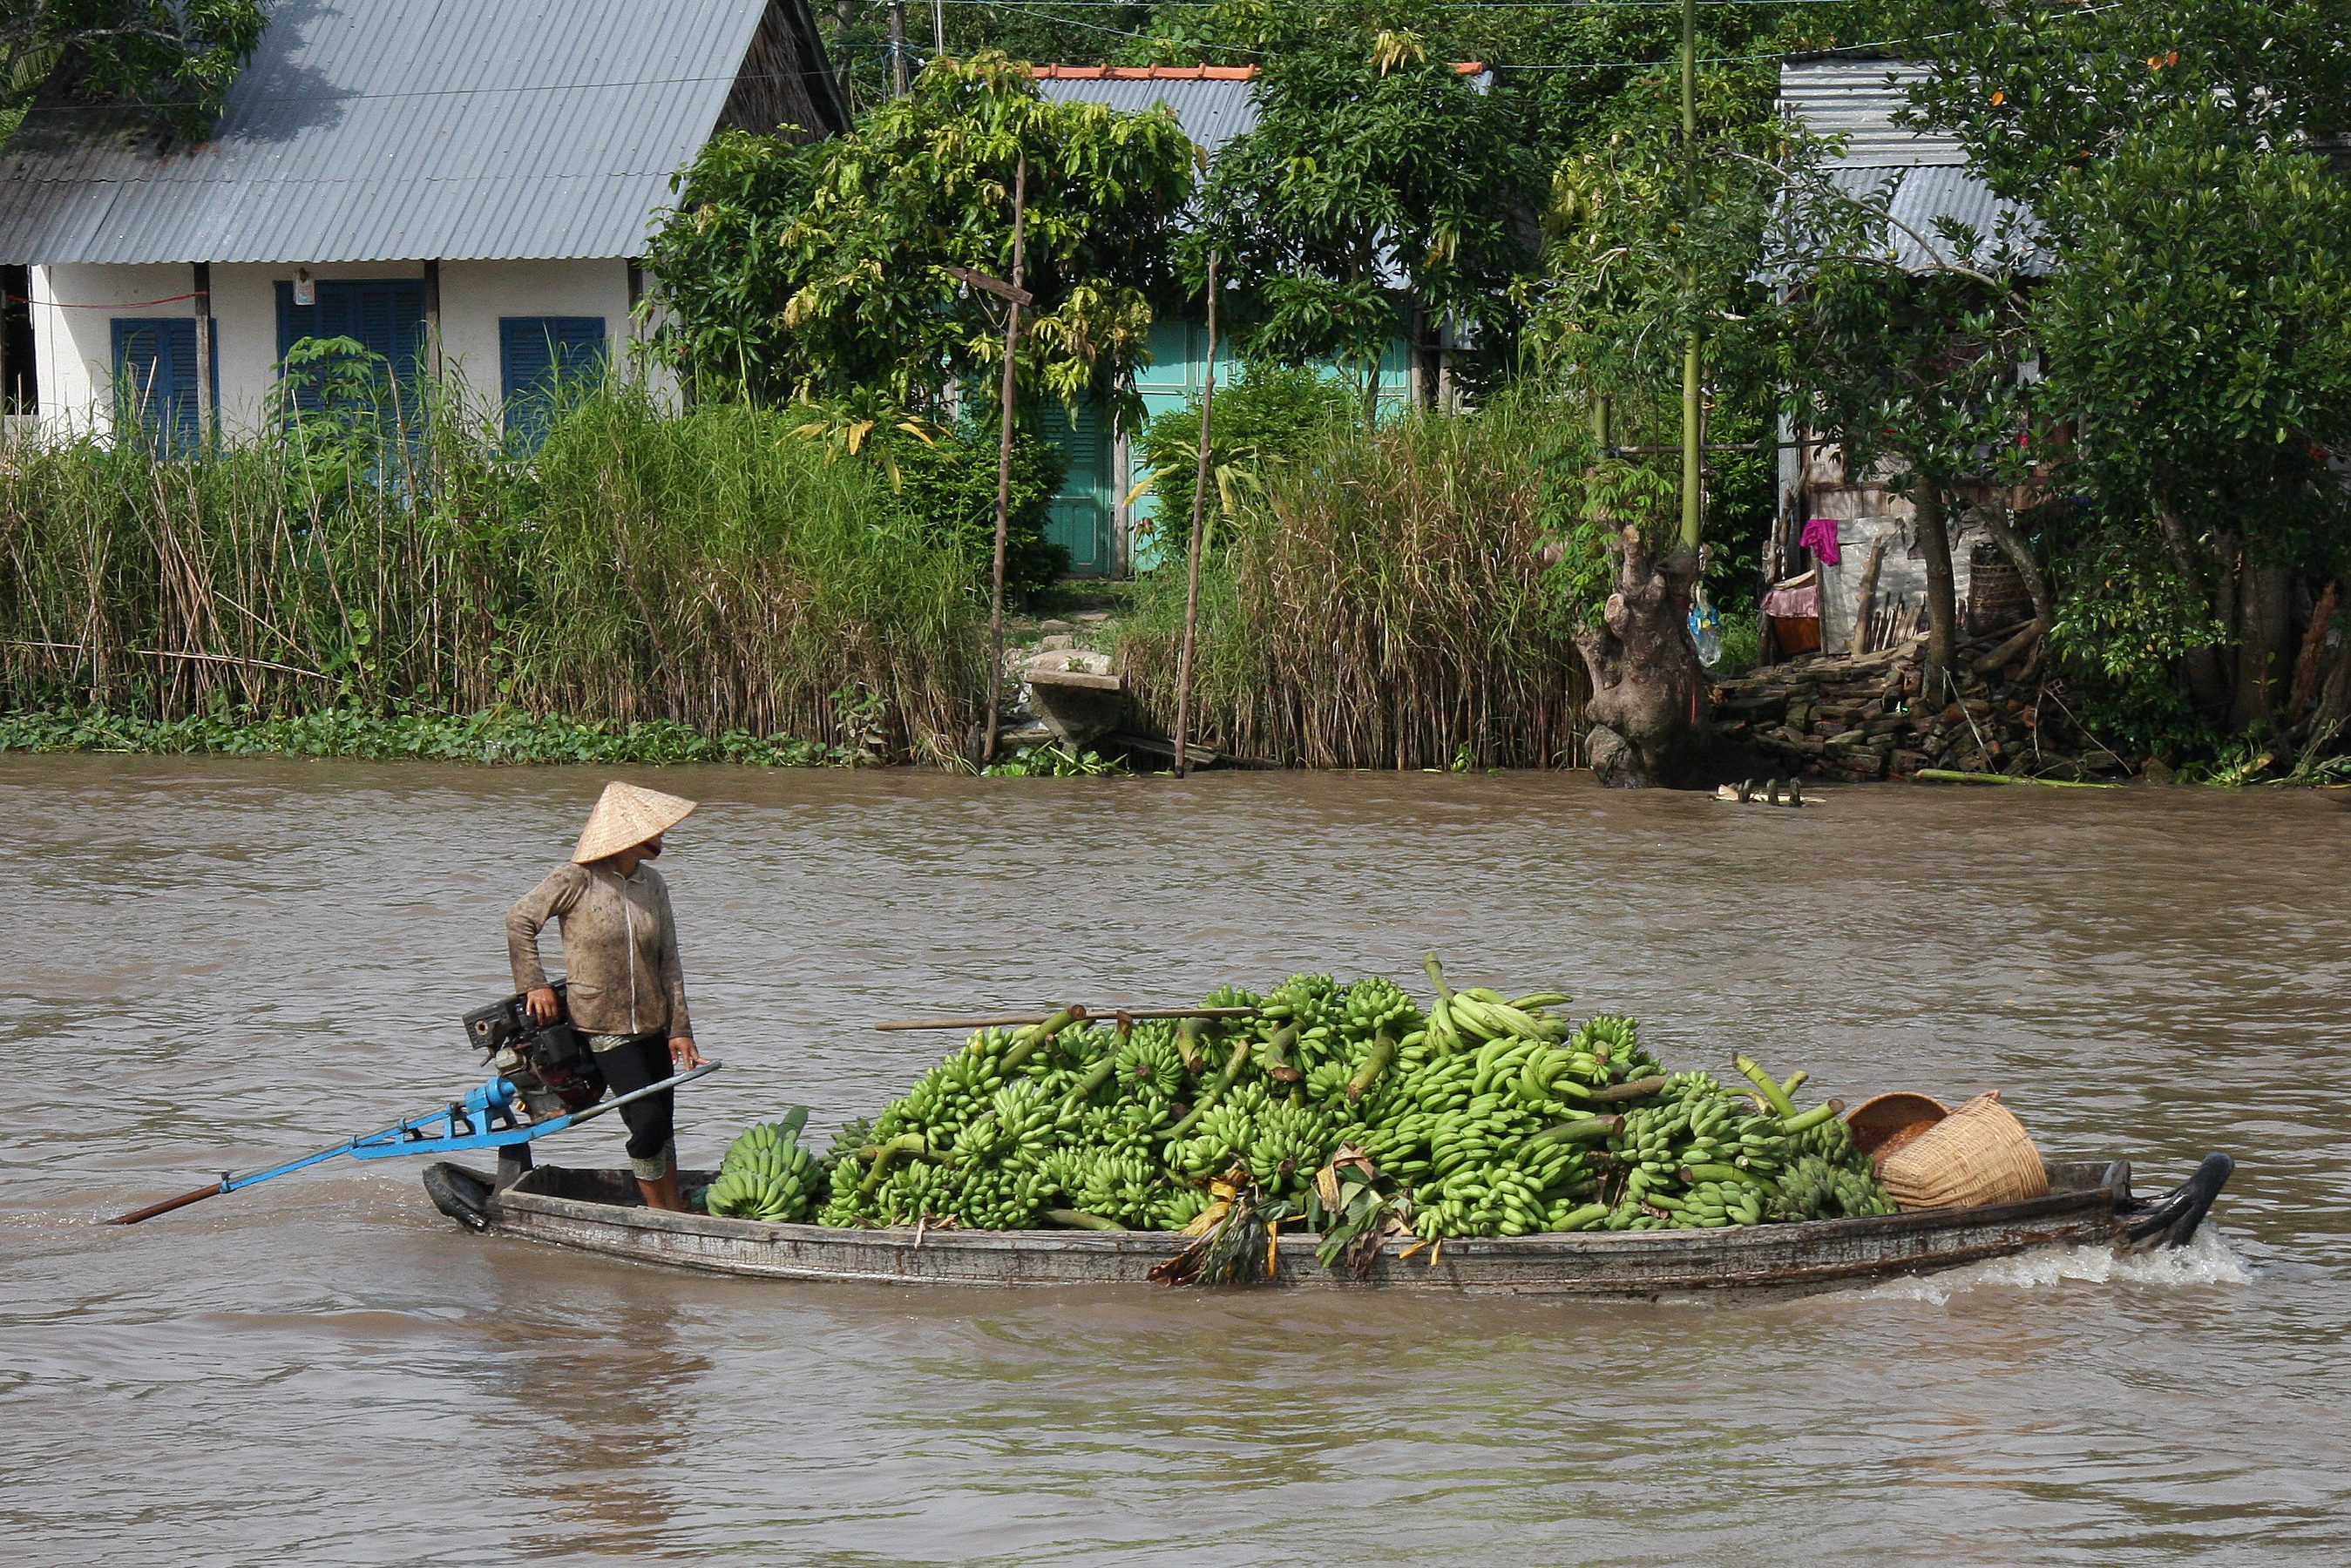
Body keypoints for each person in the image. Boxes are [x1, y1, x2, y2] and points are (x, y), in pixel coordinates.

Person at [506, 781, 707, 1212]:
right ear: (623, 838)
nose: (661, 838)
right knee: (646, 1122)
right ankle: (659, 1214)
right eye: (651, 832)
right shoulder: (574, 880)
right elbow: (520, 919)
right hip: (602, 1022)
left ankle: (672, 1208)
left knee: (663, 1123)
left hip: (653, 1021)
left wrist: (680, 1029)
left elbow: (669, 960)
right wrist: (533, 984)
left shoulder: (652, 884)